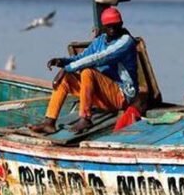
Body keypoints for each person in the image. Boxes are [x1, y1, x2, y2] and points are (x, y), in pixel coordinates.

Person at [29, 7, 138, 135]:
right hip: (102, 95)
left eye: (115, 26)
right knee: (66, 79)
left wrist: (67, 68)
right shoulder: (100, 40)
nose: (112, 29)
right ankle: (49, 122)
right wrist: (62, 62)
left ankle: (85, 118)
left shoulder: (126, 41)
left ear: (121, 24)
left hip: (121, 96)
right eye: (109, 26)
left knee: (87, 72)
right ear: (103, 26)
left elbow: (100, 58)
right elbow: (82, 57)